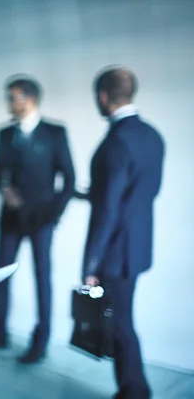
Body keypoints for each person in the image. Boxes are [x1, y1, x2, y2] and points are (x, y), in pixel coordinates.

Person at [0, 76, 75, 364]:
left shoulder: (55, 132)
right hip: (10, 218)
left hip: (42, 219)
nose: (9, 103)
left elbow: (69, 180)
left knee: (42, 278)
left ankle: (39, 343)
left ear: (29, 99)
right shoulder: (5, 134)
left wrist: (54, 216)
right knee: (1, 275)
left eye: (12, 97)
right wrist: (4, 189)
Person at [82, 66, 164, 399]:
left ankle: (134, 392)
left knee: (120, 325)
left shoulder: (116, 140)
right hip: (139, 245)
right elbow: (141, 192)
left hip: (114, 252)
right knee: (123, 321)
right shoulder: (152, 135)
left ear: (102, 96)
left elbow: (108, 211)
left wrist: (91, 265)